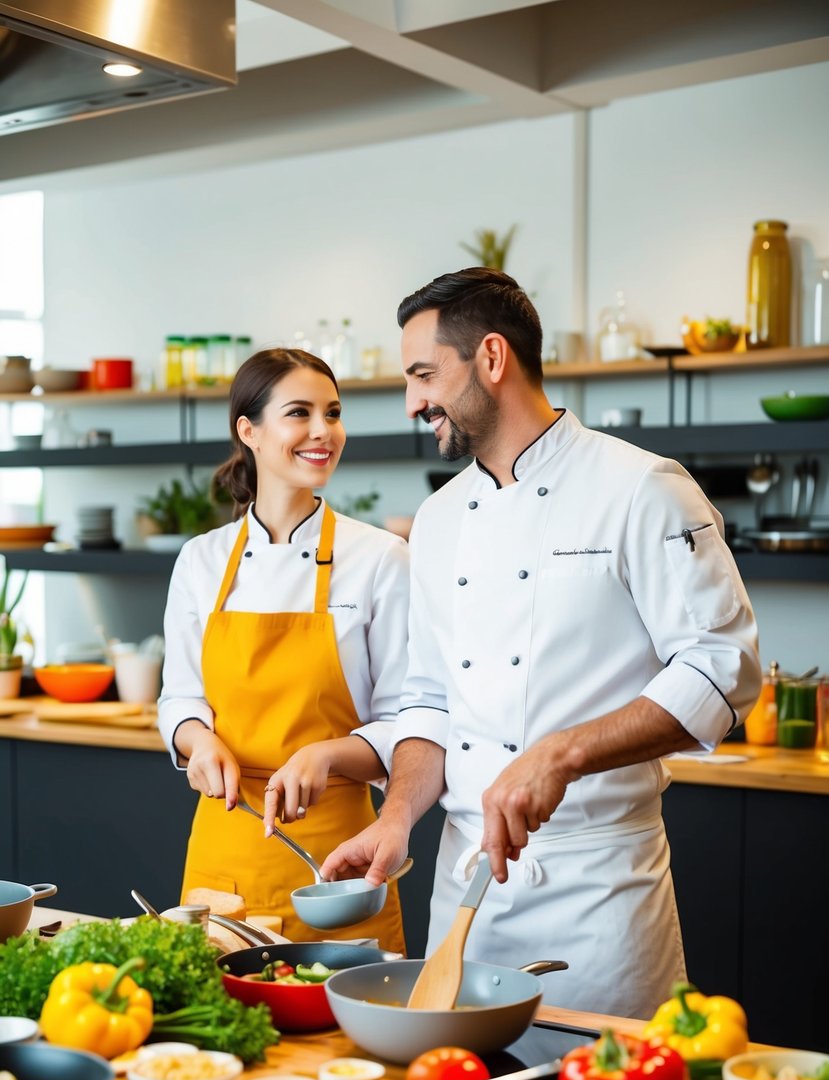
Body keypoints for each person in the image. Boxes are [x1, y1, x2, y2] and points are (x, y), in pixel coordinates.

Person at [321, 268, 761, 1016]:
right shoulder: (438, 519)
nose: (411, 402)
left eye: (423, 374)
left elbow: (724, 667)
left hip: (598, 895)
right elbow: (429, 701)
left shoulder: (640, 487)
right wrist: (394, 820)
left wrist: (562, 751)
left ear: (491, 359)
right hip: (466, 891)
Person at [157, 347, 409, 952]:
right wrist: (199, 741)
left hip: (339, 858)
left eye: (333, 413)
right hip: (227, 844)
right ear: (250, 431)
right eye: (300, 413)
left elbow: (410, 721)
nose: (323, 432)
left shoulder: (380, 560)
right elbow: (180, 697)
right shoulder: (202, 560)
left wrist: (326, 756)